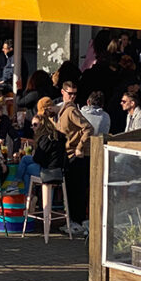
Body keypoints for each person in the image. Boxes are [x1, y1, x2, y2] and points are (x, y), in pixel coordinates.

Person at [55, 80, 94, 236]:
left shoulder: (71, 110)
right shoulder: (64, 108)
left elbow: (88, 128)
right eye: (69, 93)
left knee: (76, 190)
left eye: (74, 94)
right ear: (63, 92)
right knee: (72, 190)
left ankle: (76, 222)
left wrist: (79, 147)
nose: (72, 96)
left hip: (75, 155)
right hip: (69, 153)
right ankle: (73, 221)